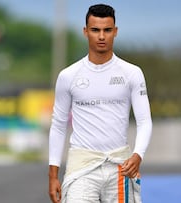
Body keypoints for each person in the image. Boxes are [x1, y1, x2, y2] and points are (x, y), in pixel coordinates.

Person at [48, 4, 152, 203]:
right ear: (85, 32)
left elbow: (144, 121)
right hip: (82, 168)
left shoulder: (132, 73)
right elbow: (58, 125)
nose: (102, 36)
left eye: (107, 30)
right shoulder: (68, 76)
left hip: (121, 166)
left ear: (116, 31)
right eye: (95, 30)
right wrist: (53, 176)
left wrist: (138, 155)